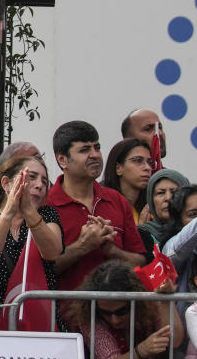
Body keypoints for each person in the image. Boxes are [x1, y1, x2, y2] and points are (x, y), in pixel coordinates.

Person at [0, 155, 63, 328]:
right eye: (31, 177)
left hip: (39, 324)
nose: (39, 185)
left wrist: (28, 211)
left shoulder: (47, 217)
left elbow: (52, 251)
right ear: (6, 183)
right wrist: (9, 212)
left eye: (44, 182)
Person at [47, 121, 146, 291]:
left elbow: (140, 263)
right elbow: (40, 269)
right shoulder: (46, 204)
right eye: (85, 150)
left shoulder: (116, 200)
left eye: (97, 147)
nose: (95, 155)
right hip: (63, 315)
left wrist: (112, 251)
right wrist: (82, 246)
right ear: (62, 159)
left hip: (117, 315)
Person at [66, 260, 182, 359]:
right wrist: (143, 349)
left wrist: (166, 301)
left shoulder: (148, 301)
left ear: (136, 302)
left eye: (121, 311)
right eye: (105, 313)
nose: (114, 320)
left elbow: (175, 340)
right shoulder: (88, 315)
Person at [102, 138, 153, 224]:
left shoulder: (150, 209)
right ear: (118, 168)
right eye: (138, 160)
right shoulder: (103, 207)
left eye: (149, 162)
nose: (147, 168)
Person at [139, 169, 189, 252]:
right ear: (151, 201)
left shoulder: (194, 231)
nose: (168, 198)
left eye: (175, 192)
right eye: (160, 193)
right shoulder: (141, 235)